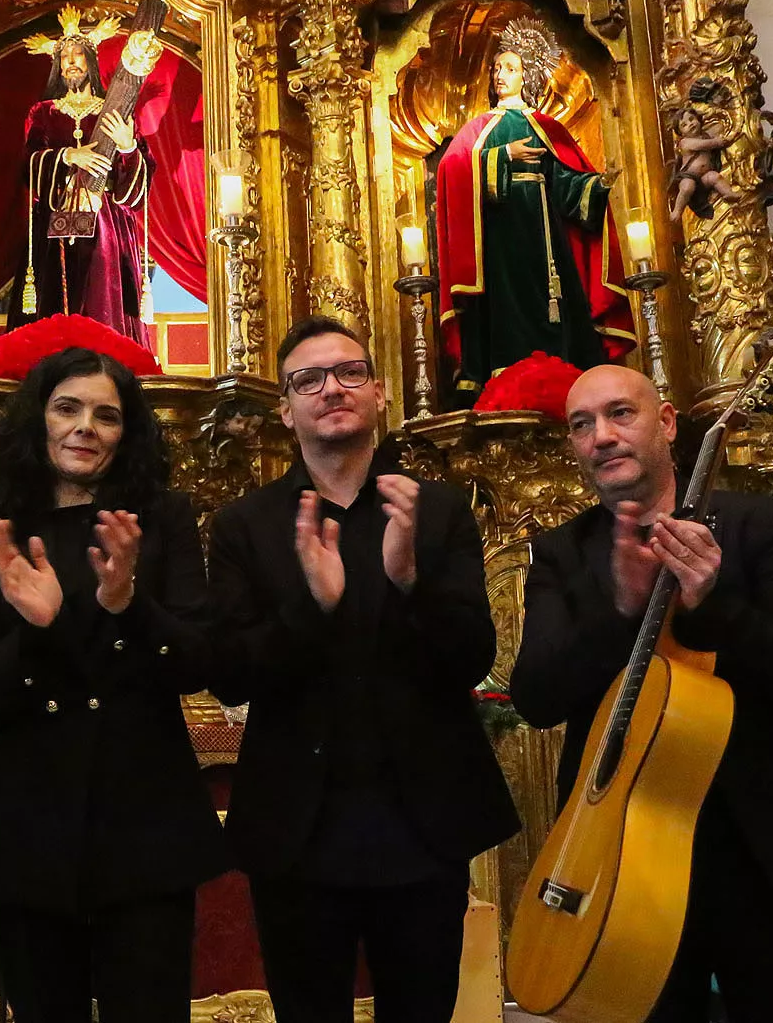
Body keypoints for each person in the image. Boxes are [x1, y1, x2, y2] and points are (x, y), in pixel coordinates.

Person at [510, 364, 773, 1022]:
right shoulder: (562, 553)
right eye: (582, 424)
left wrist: (714, 604)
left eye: (619, 414)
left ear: (665, 423)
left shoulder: (758, 524)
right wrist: (621, 608)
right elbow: (536, 696)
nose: (601, 436)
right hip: (629, 871)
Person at [207, 317, 519, 1023]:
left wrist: (409, 580)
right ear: (286, 408)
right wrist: (312, 608)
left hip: (421, 816)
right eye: (308, 379)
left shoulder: (435, 511)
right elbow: (227, 671)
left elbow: (471, 655)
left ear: (379, 392)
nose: (331, 389)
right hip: (297, 824)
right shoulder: (245, 525)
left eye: (349, 372)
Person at [0, 346, 226, 1023]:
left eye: (107, 415)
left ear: (126, 433)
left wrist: (127, 601)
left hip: (145, 824)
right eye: (68, 408)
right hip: (35, 829)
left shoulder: (161, 519)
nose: (86, 426)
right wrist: (39, 631)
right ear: (38, 421)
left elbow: (199, 662)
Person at [435, 17, 634, 400]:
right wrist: (504, 155)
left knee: (551, 299)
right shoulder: (478, 129)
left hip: (544, 235)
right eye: (496, 68)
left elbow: (562, 180)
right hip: (498, 237)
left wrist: (595, 185)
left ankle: (562, 367)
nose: (500, 75)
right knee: (503, 302)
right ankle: (498, 369)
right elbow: (451, 169)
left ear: (527, 76)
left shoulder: (545, 126)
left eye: (510, 68)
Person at [10, 5, 154, 344]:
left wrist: (128, 146)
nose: (71, 62)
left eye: (78, 54)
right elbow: (29, 164)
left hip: (106, 224)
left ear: (91, 60)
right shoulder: (44, 113)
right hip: (54, 221)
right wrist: (68, 155)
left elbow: (136, 190)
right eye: (64, 57)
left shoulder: (115, 111)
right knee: (54, 302)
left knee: (104, 298)